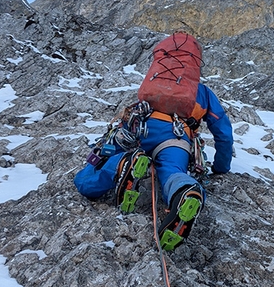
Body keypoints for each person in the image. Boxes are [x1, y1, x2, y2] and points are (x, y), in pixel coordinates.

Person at [74, 35, 233, 251]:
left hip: (140, 129)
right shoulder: (202, 92)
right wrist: (221, 167)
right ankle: (185, 191)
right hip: (176, 137)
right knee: (172, 171)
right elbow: (223, 133)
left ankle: (123, 164)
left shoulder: (154, 80)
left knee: (91, 175)